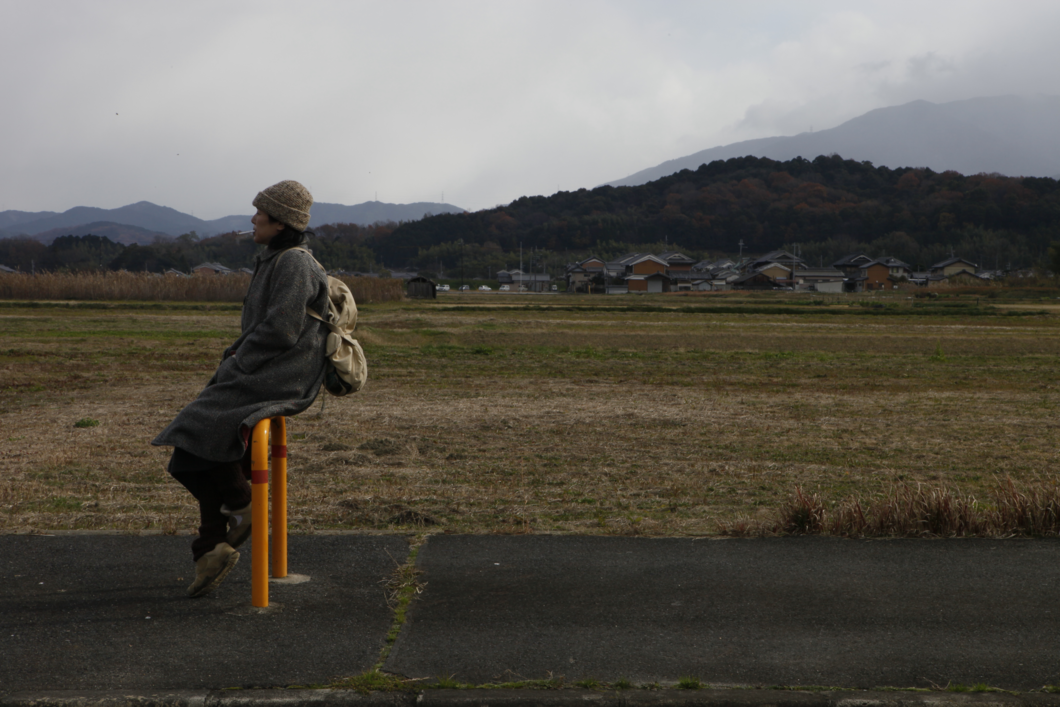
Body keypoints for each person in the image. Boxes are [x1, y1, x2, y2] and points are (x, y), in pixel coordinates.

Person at [153, 180, 329, 598]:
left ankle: (243, 505)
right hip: (264, 368)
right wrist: (235, 357)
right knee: (189, 453)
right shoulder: (274, 259)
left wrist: (238, 362)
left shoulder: (294, 263)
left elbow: (282, 329)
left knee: (199, 424)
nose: (252, 220)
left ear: (281, 222)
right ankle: (212, 546)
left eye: (260, 214)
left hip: (283, 373)